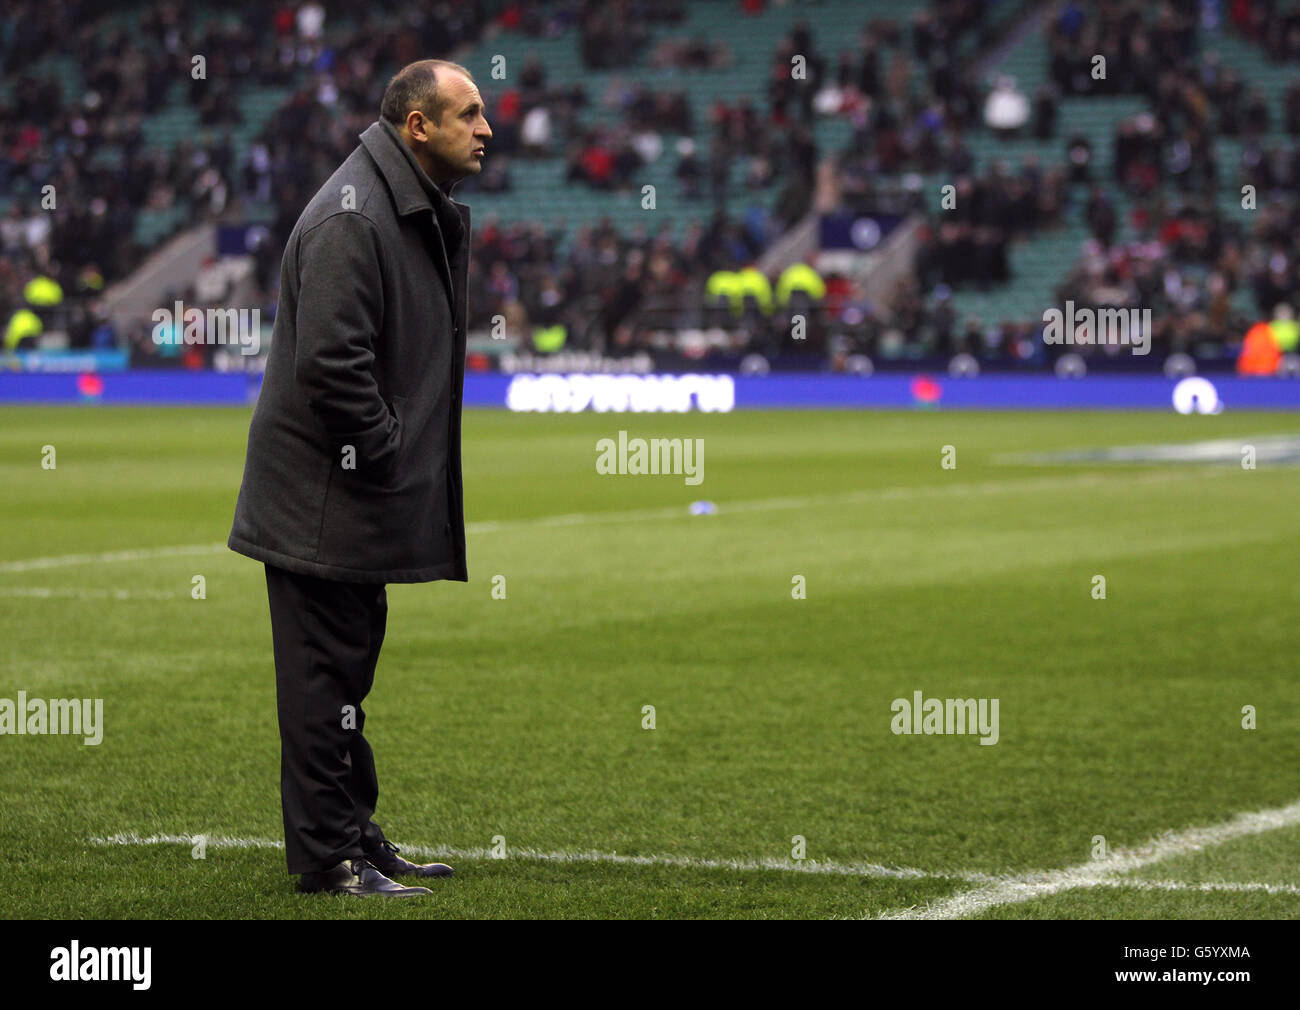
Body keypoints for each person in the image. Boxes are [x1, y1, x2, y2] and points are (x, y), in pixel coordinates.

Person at [227, 59, 492, 897]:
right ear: (419, 125)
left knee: (342, 674)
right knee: (320, 682)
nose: (487, 129)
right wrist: (384, 452)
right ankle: (328, 861)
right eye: (470, 114)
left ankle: (352, 836)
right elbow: (333, 366)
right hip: (322, 500)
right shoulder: (355, 215)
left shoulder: (391, 201)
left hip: (345, 499)